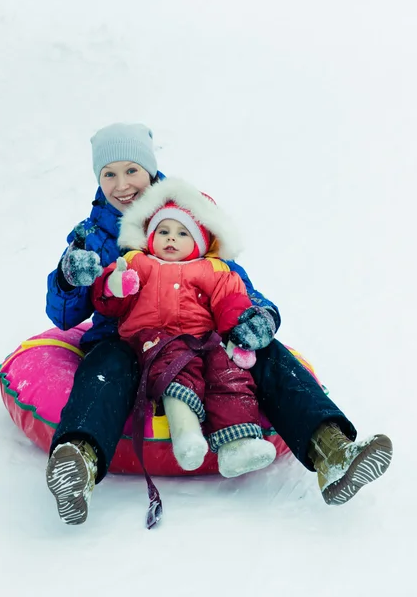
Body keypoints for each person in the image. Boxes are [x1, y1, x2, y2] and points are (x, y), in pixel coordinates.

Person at [45, 122, 393, 526]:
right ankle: (77, 465)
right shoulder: (91, 235)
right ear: (98, 178)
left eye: (132, 170)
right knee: (105, 369)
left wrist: (259, 316)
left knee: (264, 354)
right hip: (124, 338)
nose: (122, 184)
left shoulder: (181, 212)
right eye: (109, 174)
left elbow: (230, 282)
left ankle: (332, 450)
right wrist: (70, 276)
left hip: (197, 339)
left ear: (150, 170)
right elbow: (65, 316)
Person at [90, 177, 278, 483]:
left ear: (200, 243)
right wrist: (114, 286)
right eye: (163, 231)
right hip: (154, 340)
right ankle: (186, 434)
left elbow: (231, 301)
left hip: (204, 340)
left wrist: (238, 335)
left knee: (228, 371)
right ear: (150, 236)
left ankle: (237, 445)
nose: (171, 239)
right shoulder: (138, 262)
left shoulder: (212, 269)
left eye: (182, 233)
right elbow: (106, 300)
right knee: (176, 366)